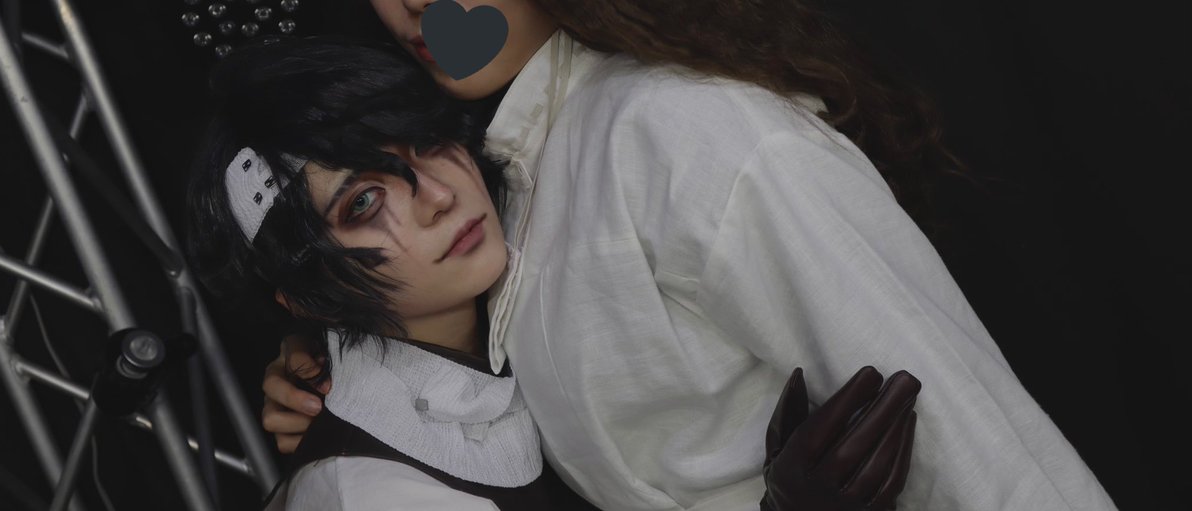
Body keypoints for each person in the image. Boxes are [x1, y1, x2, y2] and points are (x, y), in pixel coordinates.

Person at [261, 1, 1118, 509]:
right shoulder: (510, 188)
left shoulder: (681, 129)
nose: (411, 5)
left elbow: (977, 440)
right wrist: (346, 377)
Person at [187, 37, 920, 510]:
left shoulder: (514, 306)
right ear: (302, 293)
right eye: (365, 202)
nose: (439, 195)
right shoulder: (374, 492)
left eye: (425, 142)